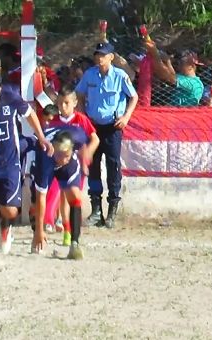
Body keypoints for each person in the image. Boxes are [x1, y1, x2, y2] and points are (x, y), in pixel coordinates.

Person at [0, 69, 52, 266]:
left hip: (8, 163)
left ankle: (5, 226)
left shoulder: (10, 96)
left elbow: (29, 114)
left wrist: (41, 137)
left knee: (10, 211)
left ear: (0, 89)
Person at [75, 42, 138, 229]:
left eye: (103, 54)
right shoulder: (90, 74)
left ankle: (112, 211)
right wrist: (81, 112)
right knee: (93, 165)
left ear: (111, 57)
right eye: (97, 54)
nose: (99, 58)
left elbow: (133, 96)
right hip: (93, 127)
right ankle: (96, 211)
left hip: (112, 127)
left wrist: (126, 116)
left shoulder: (120, 76)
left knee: (113, 165)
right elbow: (79, 93)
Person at [45, 85, 99, 245]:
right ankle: (65, 228)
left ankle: (71, 231)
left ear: (75, 103)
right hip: (59, 165)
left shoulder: (81, 120)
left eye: (67, 103)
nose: (63, 107)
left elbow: (95, 139)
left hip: (78, 165)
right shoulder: (54, 122)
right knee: (62, 196)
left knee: (74, 196)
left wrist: (88, 153)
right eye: (60, 103)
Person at [32, 127, 89, 259]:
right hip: (47, 161)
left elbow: (84, 144)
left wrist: (84, 161)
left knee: (75, 197)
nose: (63, 160)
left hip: (69, 165)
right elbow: (41, 197)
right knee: (37, 200)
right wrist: (39, 231)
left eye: (66, 155)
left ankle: (75, 243)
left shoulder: (78, 135)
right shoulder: (44, 157)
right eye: (60, 156)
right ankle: (37, 233)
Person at [145, 40, 204, 106]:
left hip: (181, 114)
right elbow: (172, 75)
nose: (178, 63)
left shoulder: (195, 83)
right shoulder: (183, 77)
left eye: (182, 61)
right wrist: (168, 61)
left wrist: (155, 53)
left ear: (193, 64)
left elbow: (167, 76)